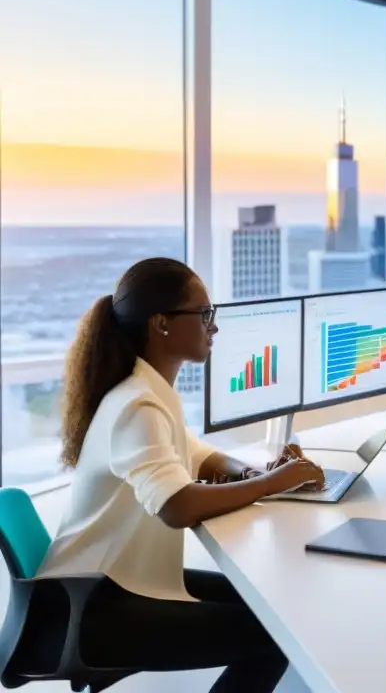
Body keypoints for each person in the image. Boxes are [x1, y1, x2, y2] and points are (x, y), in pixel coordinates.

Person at [35, 257, 325, 692]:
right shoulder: (138, 403)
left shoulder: (148, 388)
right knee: (274, 636)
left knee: (274, 612)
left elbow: (192, 452)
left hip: (108, 584)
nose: (214, 327)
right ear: (162, 324)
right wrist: (271, 483)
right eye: (204, 314)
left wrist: (251, 470)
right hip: (92, 607)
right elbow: (177, 506)